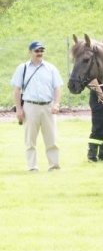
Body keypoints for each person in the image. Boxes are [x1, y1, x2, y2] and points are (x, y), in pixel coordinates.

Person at [11, 41, 63, 171]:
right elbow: (17, 90)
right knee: (30, 140)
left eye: (41, 51)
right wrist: (19, 109)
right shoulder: (22, 68)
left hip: (48, 107)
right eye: (37, 51)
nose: (40, 53)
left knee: (52, 138)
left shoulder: (51, 68)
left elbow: (57, 88)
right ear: (30, 52)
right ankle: (32, 167)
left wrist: (56, 104)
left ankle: (54, 166)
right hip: (30, 107)